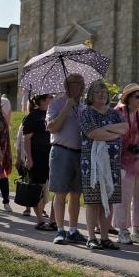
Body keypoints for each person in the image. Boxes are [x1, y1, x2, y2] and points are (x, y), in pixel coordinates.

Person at [79, 80, 127, 250]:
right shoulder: (86, 113)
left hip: (113, 163)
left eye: (105, 92)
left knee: (110, 199)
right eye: (98, 92)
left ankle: (105, 237)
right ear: (90, 95)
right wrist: (112, 132)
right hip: (91, 164)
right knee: (93, 201)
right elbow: (93, 133)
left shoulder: (114, 113)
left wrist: (106, 130)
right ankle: (91, 237)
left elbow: (125, 128)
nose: (102, 94)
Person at [48, 74, 89, 246]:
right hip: (61, 151)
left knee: (76, 194)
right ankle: (60, 230)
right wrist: (66, 107)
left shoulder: (84, 107)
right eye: (76, 83)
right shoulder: (56, 103)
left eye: (82, 84)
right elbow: (52, 128)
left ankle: (72, 230)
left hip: (80, 154)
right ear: (67, 86)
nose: (80, 87)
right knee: (60, 193)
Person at [113, 83, 139, 245]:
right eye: (137, 96)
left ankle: (136, 230)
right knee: (123, 197)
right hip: (123, 162)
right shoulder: (118, 113)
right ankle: (122, 230)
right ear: (128, 98)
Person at [22, 93, 54, 230]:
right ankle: (40, 221)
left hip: (52, 155)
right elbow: (27, 139)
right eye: (49, 98)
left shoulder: (52, 114)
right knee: (37, 188)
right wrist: (29, 158)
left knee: (53, 189)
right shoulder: (32, 116)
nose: (52, 100)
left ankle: (54, 221)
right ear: (42, 100)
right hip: (37, 156)